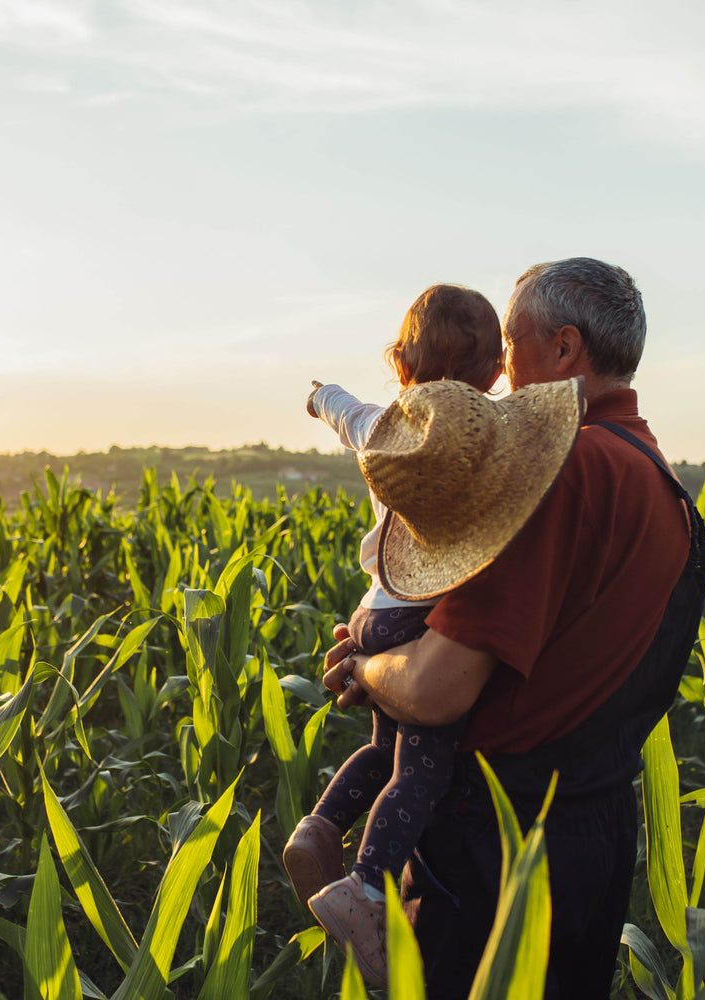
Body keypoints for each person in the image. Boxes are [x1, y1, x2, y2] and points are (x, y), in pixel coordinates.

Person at [322, 257, 705, 999]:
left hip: (496, 844)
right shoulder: (658, 479)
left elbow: (437, 690)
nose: (500, 366)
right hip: (593, 830)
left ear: (564, 350)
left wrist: (366, 671)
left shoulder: (559, 470)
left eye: (512, 341)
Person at [281, 284, 507, 987]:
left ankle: (317, 829)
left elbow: (343, 411)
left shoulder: (381, 428)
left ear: (401, 366)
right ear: (497, 375)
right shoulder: (483, 445)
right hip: (423, 612)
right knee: (424, 768)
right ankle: (366, 885)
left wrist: (322, 397)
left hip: (376, 609)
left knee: (383, 751)